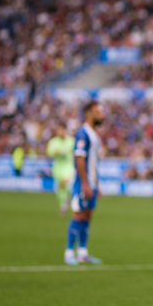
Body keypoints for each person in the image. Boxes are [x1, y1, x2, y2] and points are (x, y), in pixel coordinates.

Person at [64, 101, 105, 265]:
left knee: (87, 215)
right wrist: (85, 184)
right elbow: (79, 159)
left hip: (92, 183)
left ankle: (82, 252)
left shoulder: (94, 134)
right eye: (98, 111)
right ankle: (68, 253)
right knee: (78, 215)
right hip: (83, 183)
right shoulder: (83, 133)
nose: (102, 115)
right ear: (89, 112)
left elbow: (93, 163)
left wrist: (97, 185)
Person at [46, 125, 75, 216]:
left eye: (62, 130)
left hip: (68, 167)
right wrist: (55, 152)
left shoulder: (71, 141)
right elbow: (49, 152)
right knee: (59, 188)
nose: (60, 132)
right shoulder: (53, 142)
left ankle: (67, 200)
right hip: (58, 168)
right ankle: (63, 203)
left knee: (65, 182)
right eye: (58, 130)